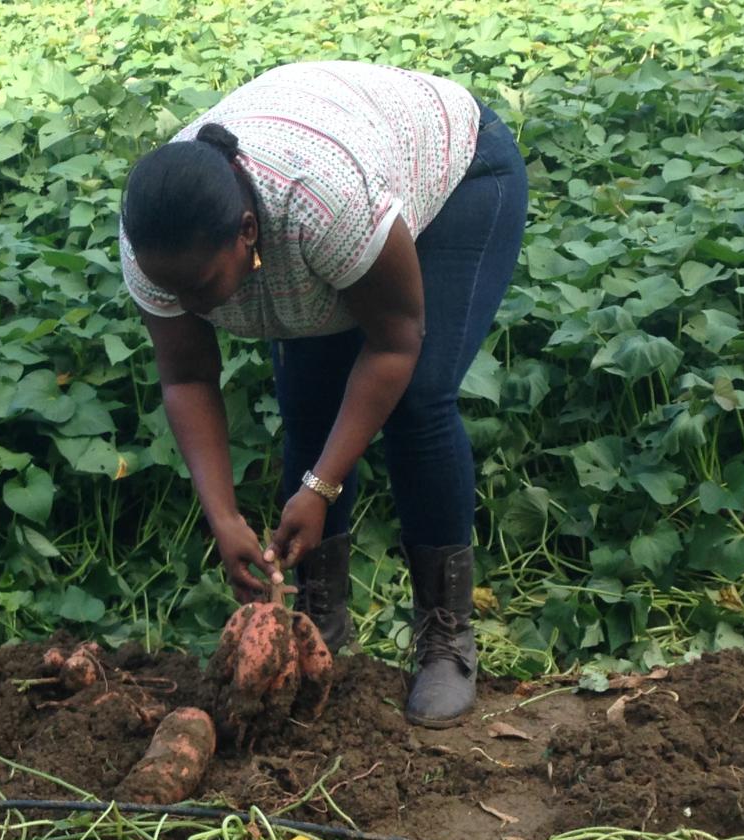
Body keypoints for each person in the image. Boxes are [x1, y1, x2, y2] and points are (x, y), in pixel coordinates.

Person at [118, 61, 528, 727]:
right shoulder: (160, 242)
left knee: (418, 400)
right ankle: (314, 618)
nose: (185, 304)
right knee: (308, 402)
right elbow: (187, 376)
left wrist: (322, 488)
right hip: (329, 194)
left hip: (457, 178)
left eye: (198, 285)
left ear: (247, 234)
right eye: (171, 289)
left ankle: (445, 636)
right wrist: (221, 515)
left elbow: (396, 340)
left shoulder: (321, 206)